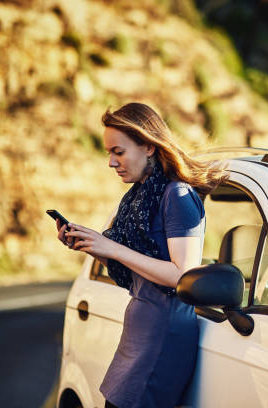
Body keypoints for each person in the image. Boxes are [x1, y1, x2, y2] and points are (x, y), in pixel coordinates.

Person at [56, 103, 228, 408]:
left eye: (118, 152)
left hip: (163, 336)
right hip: (139, 332)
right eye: (109, 153)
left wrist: (112, 248)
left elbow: (182, 276)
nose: (111, 162)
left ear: (148, 146)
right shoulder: (138, 196)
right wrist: (87, 243)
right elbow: (134, 269)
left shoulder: (176, 194)